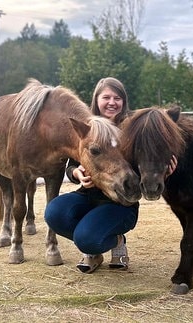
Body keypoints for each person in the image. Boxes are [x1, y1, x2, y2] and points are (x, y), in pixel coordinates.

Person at [44, 77, 136, 273]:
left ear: (124, 101)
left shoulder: (130, 129)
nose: (112, 102)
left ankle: (114, 239)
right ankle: (95, 244)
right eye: (107, 97)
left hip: (120, 202)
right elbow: (71, 166)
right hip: (88, 195)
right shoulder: (87, 127)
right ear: (97, 99)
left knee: (87, 239)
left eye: (117, 98)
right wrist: (77, 173)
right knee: (54, 213)